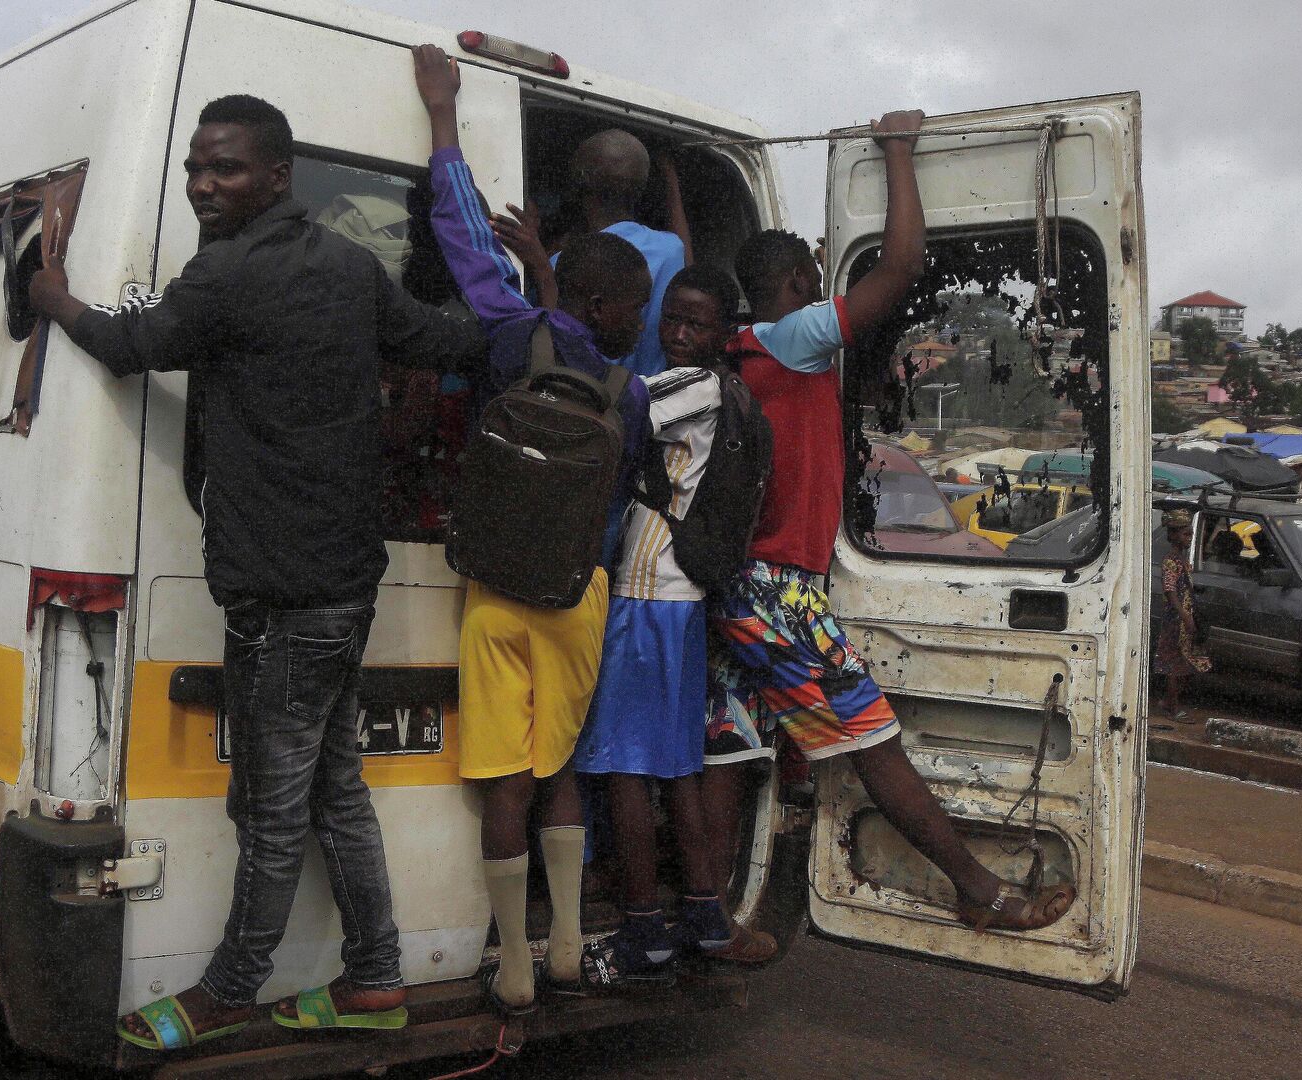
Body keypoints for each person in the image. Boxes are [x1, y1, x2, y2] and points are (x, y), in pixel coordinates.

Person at [28, 94, 486, 1048]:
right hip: (344, 583)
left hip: (279, 597)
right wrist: (528, 313)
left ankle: (231, 989)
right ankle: (373, 982)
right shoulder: (354, 269)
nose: (202, 185)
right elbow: (446, 342)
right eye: (196, 168)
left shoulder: (226, 274)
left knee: (272, 811)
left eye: (224, 168)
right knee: (334, 792)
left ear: (278, 177)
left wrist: (52, 297)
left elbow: (128, 348)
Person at [701, 110, 1076, 933]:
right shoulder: (797, 338)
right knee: (872, 737)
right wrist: (899, 152)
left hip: (733, 585)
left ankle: (707, 919)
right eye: (820, 273)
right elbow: (902, 265)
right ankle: (980, 892)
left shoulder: (733, 346)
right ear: (802, 282)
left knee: (728, 748)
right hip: (780, 591)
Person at [413, 45, 652, 1008]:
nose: (641, 322)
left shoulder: (517, 335)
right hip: (575, 598)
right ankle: (564, 945)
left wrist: (443, 115)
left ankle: (510, 960)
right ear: (607, 305)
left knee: (502, 779)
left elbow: (464, 239)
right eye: (633, 310)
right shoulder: (629, 389)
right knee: (560, 770)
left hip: (491, 593)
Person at [570, 263, 778, 979]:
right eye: (673, 319)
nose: (681, 333)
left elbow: (611, 406)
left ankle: (642, 930)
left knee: (625, 768)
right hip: (678, 599)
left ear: (725, 335)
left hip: (645, 594)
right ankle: (705, 915)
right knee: (675, 767)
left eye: (698, 323)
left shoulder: (689, 387)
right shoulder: (726, 394)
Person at [490, 132, 688, 377]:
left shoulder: (565, 267)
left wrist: (541, 268)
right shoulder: (673, 250)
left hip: (589, 400)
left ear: (579, 183)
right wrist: (670, 177)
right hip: (646, 401)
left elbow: (552, 344)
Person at [1158, 510, 1210, 722]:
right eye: (1186, 535)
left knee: (1183, 663)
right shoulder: (1171, 561)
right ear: (1174, 536)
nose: (1189, 539)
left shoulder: (1180, 560)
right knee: (1174, 664)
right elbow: (1170, 591)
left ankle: (1169, 702)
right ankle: (1172, 707)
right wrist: (1185, 617)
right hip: (1175, 620)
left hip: (1182, 618)